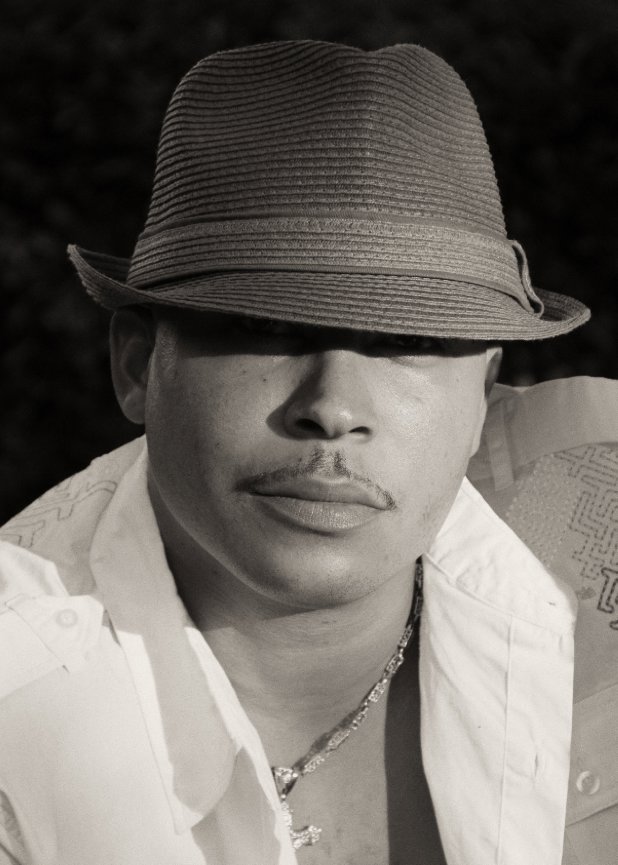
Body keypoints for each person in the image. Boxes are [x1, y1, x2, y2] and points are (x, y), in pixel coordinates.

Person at [0, 40, 615, 865]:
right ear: (139, 367)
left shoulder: (591, 541)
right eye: (268, 327)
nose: (332, 407)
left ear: (483, 393)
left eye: (408, 339)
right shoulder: (18, 690)